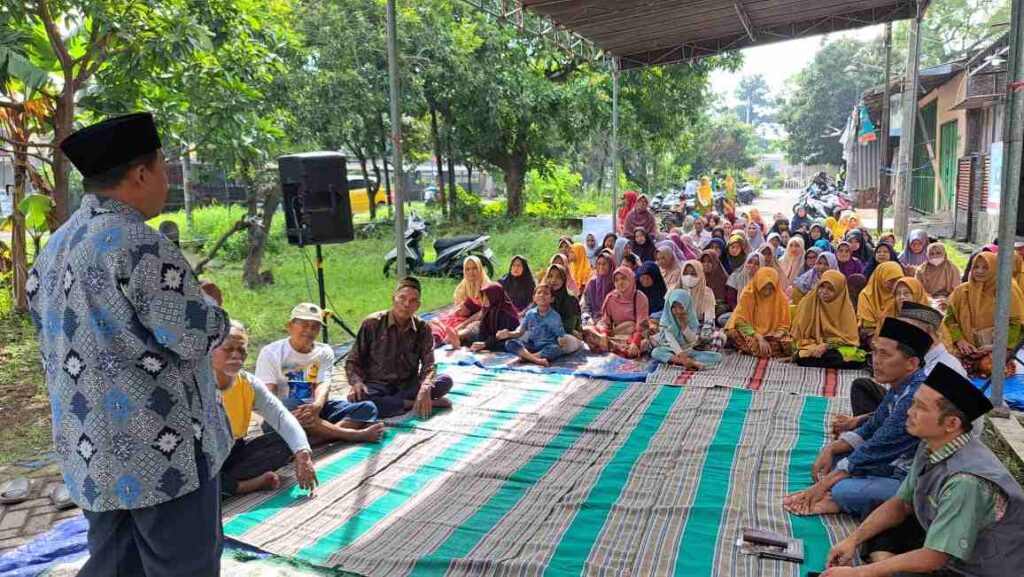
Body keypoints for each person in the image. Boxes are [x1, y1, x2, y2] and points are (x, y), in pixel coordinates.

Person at [26, 113, 231, 575]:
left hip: (92, 453)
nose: (167, 179)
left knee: (115, 566)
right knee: (184, 566)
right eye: (164, 167)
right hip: (163, 455)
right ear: (141, 173)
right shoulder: (139, 242)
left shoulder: (56, 246)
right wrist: (213, 306)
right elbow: (195, 335)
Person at [823, 363, 1024, 577]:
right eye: (913, 403)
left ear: (951, 424)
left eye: (920, 407)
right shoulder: (930, 443)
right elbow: (901, 503)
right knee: (880, 512)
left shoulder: (967, 482)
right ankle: (887, 562)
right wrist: (852, 540)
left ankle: (885, 564)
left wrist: (862, 573)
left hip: (980, 569)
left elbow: (934, 558)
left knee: (916, 558)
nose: (910, 412)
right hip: (949, 545)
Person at [783, 318, 931, 519]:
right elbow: (873, 426)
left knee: (842, 490)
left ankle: (837, 502)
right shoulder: (899, 385)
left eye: (885, 354)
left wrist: (826, 484)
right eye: (875, 351)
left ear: (911, 363)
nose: (876, 360)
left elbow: (879, 445)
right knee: (833, 461)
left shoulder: (915, 396)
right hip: (890, 463)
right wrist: (831, 449)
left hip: (912, 478)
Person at [838, 302, 979, 441]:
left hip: (935, 431)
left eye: (905, 329)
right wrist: (860, 421)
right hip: (911, 410)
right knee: (863, 386)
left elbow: (921, 415)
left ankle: (874, 441)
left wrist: (859, 425)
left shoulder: (940, 369)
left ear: (925, 333)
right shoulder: (922, 357)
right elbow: (898, 400)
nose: (899, 335)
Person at [215, 321, 322, 496]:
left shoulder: (248, 383)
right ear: (209, 350)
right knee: (195, 476)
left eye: (241, 350)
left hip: (233, 451)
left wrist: (303, 454)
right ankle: (242, 486)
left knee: (289, 442)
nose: (236, 355)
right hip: (202, 458)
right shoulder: (195, 384)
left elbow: (281, 416)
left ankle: (227, 486)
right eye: (228, 349)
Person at [256, 303, 381, 443]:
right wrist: (287, 413)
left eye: (314, 327)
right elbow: (268, 396)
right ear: (290, 326)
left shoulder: (324, 351)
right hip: (285, 414)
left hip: (316, 412)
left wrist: (317, 405)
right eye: (304, 325)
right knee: (292, 403)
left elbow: (324, 384)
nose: (309, 331)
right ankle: (349, 434)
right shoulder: (271, 352)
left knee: (367, 407)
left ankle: (317, 438)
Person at [346, 277, 455, 419]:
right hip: (377, 385)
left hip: (408, 386)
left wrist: (425, 388)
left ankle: (403, 402)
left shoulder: (423, 328)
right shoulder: (372, 323)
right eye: (402, 298)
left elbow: (429, 364)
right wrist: (356, 382)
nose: (406, 304)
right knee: (359, 398)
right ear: (393, 299)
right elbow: (352, 361)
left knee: (445, 381)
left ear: (418, 306)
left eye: (413, 301)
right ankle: (414, 404)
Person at [945, 251, 1024, 377]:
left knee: (990, 367)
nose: (979, 271)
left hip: (996, 348)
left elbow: (1016, 325)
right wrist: (960, 340)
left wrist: (995, 346)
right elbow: (949, 319)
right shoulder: (962, 291)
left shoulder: (1007, 291)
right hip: (965, 348)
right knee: (945, 363)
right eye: (976, 267)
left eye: (985, 267)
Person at [791, 270, 866, 368]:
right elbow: (799, 334)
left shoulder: (845, 308)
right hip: (812, 344)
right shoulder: (808, 302)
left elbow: (849, 338)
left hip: (837, 347)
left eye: (830, 289)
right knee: (805, 355)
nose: (824, 292)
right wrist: (816, 345)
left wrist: (826, 345)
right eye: (822, 287)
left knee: (845, 355)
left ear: (839, 290)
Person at [584, 265, 651, 358]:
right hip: (616, 335)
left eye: (624, 278)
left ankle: (615, 348)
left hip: (633, 335)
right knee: (586, 330)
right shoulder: (611, 297)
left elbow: (642, 324)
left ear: (631, 279)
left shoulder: (639, 297)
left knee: (644, 344)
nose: (620, 282)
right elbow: (605, 320)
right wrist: (603, 335)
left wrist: (635, 342)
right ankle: (615, 348)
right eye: (616, 280)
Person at [725, 268, 793, 358]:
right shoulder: (748, 294)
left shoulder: (781, 298)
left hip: (772, 335)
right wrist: (759, 337)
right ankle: (765, 350)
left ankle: (749, 349)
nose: (767, 292)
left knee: (789, 344)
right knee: (733, 333)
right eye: (763, 288)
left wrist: (779, 333)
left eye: (771, 289)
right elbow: (740, 321)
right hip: (751, 332)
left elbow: (785, 323)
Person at [500, 284, 566, 367]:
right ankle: (537, 360)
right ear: (534, 298)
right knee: (509, 343)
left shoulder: (554, 316)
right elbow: (520, 333)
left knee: (556, 349)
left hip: (547, 346)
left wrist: (561, 339)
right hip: (531, 345)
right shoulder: (530, 314)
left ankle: (526, 357)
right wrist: (508, 334)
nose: (541, 295)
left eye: (546, 293)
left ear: (552, 299)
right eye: (539, 293)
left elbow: (560, 335)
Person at [432, 255, 490, 346]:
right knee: (440, 321)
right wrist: (457, 313)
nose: (471, 272)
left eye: (474, 268)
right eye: (467, 269)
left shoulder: (487, 287)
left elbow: (484, 312)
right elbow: (459, 305)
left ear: (480, 268)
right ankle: (436, 339)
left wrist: (463, 324)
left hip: (482, 318)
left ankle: (451, 340)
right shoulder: (464, 284)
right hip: (464, 315)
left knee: (471, 328)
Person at [857, 262, 905, 346]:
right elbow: (866, 328)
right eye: (891, 281)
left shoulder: (901, 294)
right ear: (881, 278)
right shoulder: (866, 295)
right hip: (874, 337)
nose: (895, 284)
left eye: (899, 280)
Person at [466, 283, 522, 353]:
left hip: (503, 341)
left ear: (494, 297)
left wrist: (485, 344)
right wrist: (481, 342)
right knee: (471, 335)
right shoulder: (488, 309)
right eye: (483, 296)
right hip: (490, 339)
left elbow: (504, 335)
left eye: (487, 297)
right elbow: (483, 329)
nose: (484, 299)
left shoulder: (507, 313)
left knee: (508, 344)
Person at [543, 263, 585, 354]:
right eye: (550, 276)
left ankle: (543, 350)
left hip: (568, 334)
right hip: (545, 333)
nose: (553, 280)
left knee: (564, 341)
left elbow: (569, 327)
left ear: (564, 279)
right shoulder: (544, 295)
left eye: (558, 277)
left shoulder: (570, 299)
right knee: (525, 334)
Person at [583, 250, 615, 323]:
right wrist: (588, 318)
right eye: (598, 264)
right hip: (593, 318)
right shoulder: (592, 283)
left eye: (604, 264)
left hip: (611, 320)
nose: (601, 267)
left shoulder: (615, 282)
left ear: (610, 265)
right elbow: (586, 306)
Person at [700, 249, 730, 316]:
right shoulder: (699, 277)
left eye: (709, 262)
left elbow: (728, 302)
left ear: (715, 262)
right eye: (703, 261)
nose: (706, 264)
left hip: (718, 310)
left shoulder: (723, 278)